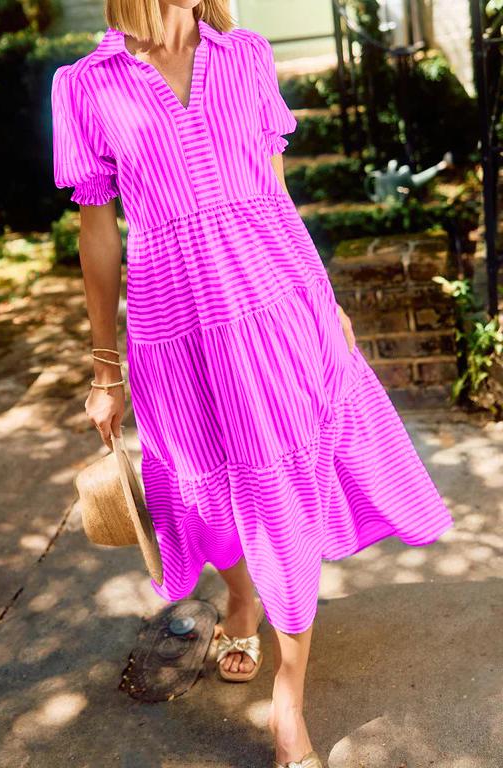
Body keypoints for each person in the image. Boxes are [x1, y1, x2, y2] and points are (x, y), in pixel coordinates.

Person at [50, 2, 455, 765]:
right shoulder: (85, 84)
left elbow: (276, 195)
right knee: (203, 491)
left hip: (275, 307)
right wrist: (105, 367)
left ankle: (289, 701)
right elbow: (97, 232)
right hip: (172, 327)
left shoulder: (245, 57)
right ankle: (241, 593)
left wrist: (326, 299)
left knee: (281, 492)